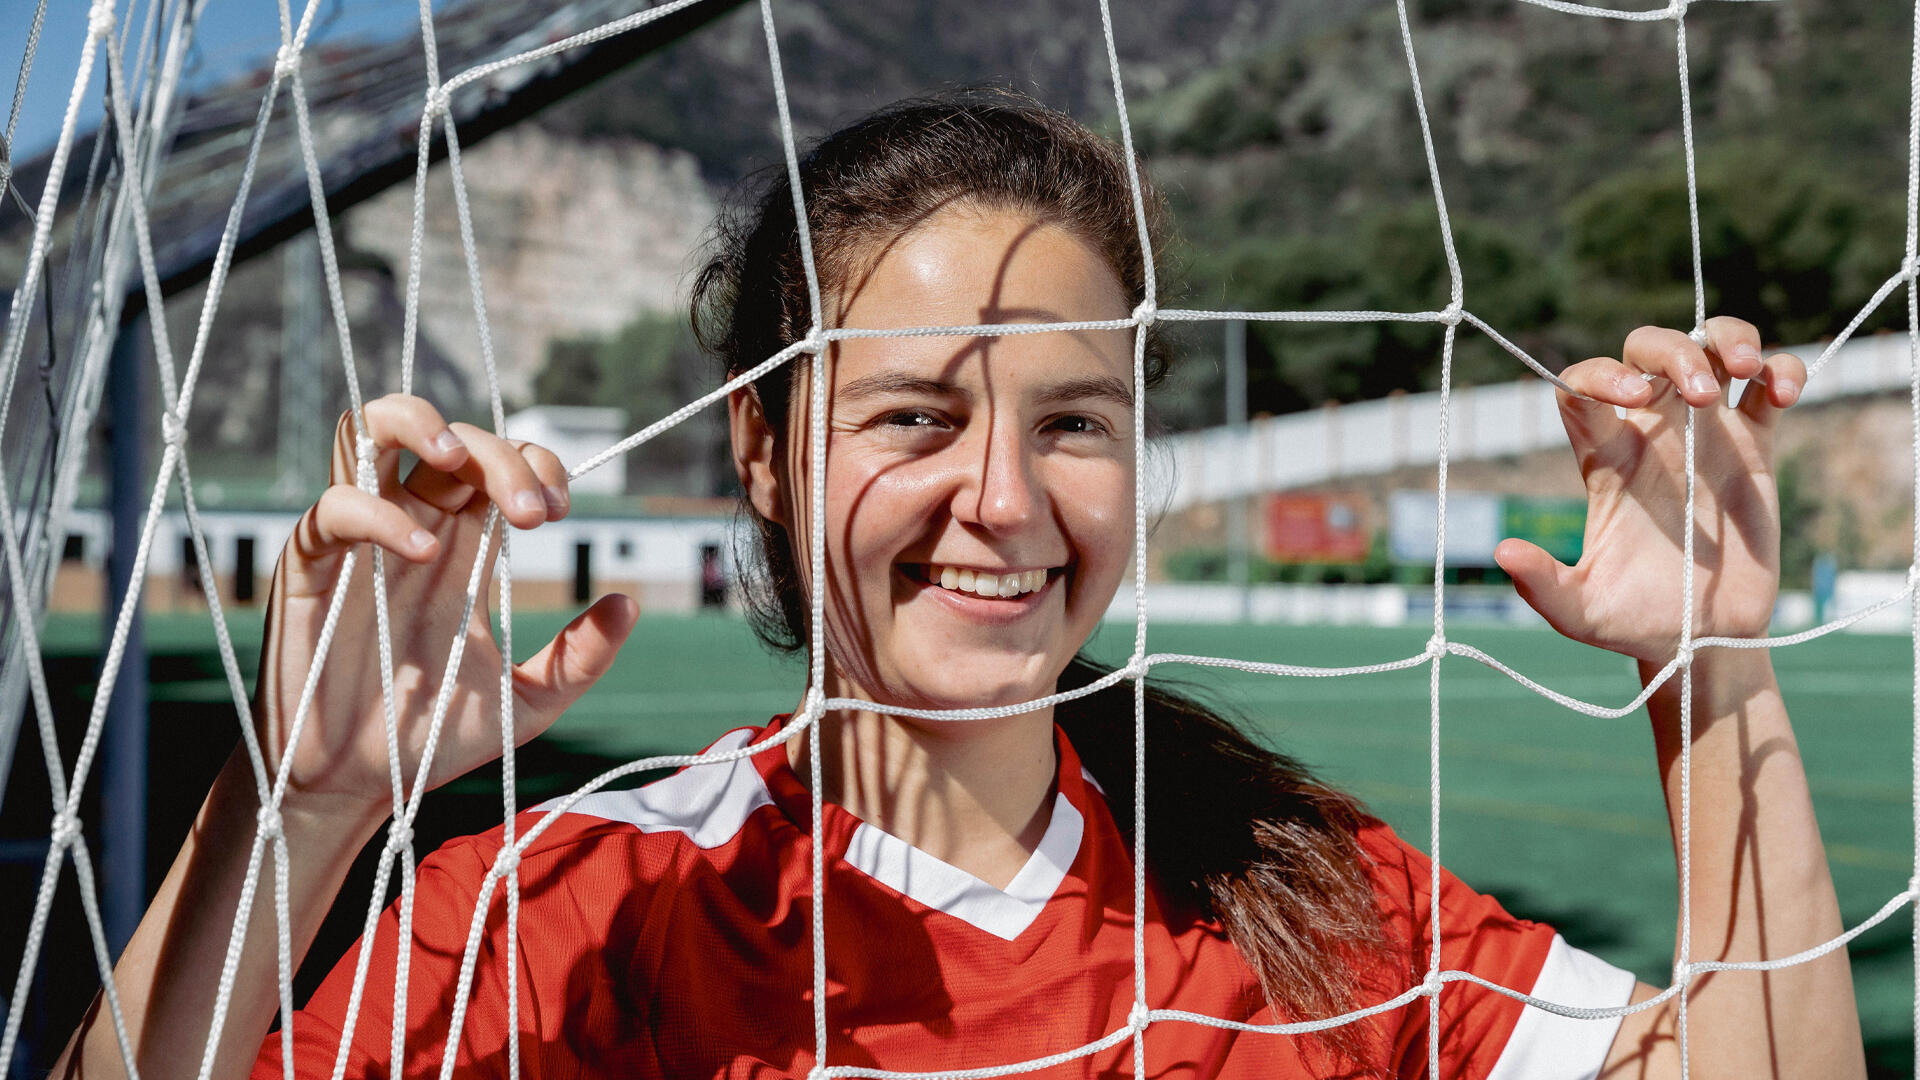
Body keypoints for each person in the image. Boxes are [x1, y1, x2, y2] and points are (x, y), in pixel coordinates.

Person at [58, 90, 1862, 1079]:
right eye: (914, 414)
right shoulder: (595, 908)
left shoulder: (1303, 896)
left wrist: (1712, 672)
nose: (999, 499)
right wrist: (300, 806)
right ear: (762, 452)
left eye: (1072, 417)